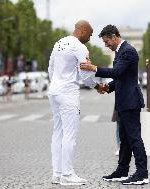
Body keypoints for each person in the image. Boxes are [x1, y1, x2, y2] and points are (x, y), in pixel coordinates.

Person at [80, 25, 149, 185]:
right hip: (124, 101)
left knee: (134, 138)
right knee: (124, 139)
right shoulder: (120, 51)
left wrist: (94, 68)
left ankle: (142, 173)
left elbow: (117, 72)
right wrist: (107, 87)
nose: (105, 45)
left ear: (113, 36)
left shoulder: (128, 51)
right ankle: (122, 171)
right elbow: (121, 78)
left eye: (106, 41)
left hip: (130, 101)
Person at [47, 20, 105, 186]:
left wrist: (55, 83)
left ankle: (57, 174)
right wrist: (97, 86)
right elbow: (85, 75)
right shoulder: (80, 47)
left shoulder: (58, 43)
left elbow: (50, 67)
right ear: (83, 30)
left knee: (57, 132)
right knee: (70, 134)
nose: (90, 37)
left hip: (54, 91)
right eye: (90, 34)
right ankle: (67, 174)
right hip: (68, 93)